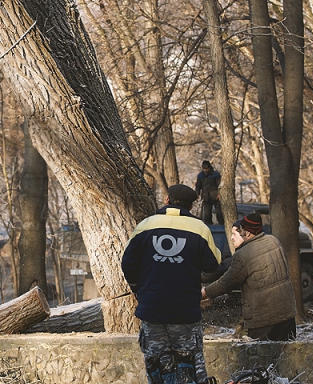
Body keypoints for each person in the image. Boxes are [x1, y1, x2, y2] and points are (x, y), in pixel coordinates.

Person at [122, 184, 222, 384]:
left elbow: (127, 264)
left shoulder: (146, 225)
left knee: (157, 364)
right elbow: (213, 264)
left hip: (151, 309)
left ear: (167, 200)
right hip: (185, 311)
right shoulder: (200, 229)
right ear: (191, 207)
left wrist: (140, 290)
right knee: (188, 364)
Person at [202, 213, 297, 341]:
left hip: (263, 318)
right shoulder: (274, 241)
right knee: (286, 354)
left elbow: (227, 282)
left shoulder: (244, 254)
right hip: (287, 313)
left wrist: (205, 292)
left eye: (240, 231)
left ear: (247, 234)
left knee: (262, 357)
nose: (235, 236)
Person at [195, 161, 224, 226]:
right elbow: (198, 186)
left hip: (215, 196)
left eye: (207, 169)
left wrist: (219, 194)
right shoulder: (201, 175)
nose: (206, 170)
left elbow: (219, 185)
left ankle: (222, 224)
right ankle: (208, 225)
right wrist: (197, 193)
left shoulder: (216, 174)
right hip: (206, 197)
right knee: (207, 213)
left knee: (219, 212)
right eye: (204, 169)